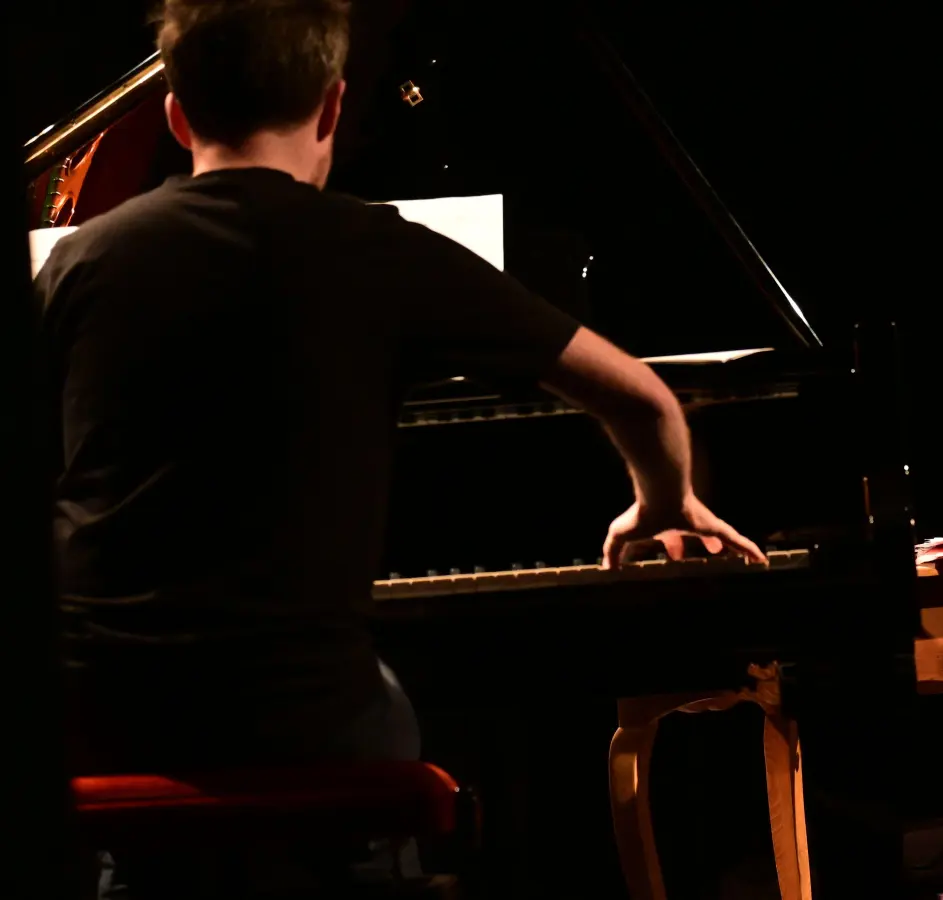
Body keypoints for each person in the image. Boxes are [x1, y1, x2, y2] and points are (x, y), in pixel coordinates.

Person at [35, 0, 764, 893]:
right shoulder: (379, 250)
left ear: (177, 116)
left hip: (102, 713)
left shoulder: (79, 262)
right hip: (305, 717)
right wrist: (663, 500)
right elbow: (643, 399)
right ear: (333, 107)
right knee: (375, 711)